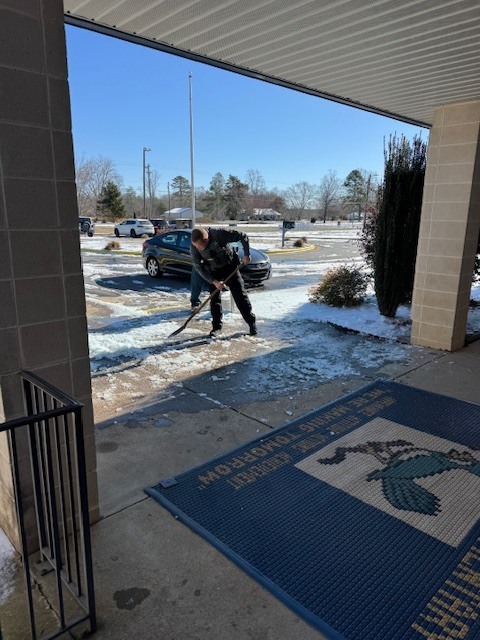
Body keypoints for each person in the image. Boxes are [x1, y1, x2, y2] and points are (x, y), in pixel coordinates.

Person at [190, 227, 257, 338]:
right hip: (212, 270)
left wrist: (246, 254)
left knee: (240, 296)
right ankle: (216, 327)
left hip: (229, 266)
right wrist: (214, 281)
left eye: (200, 246)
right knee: (214, 300)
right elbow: (198, 267)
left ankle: (251, 323)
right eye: (196, 246)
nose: (198, 248)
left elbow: (242, 235)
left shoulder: (219, 234)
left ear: (206, 241)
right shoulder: (194, 246)